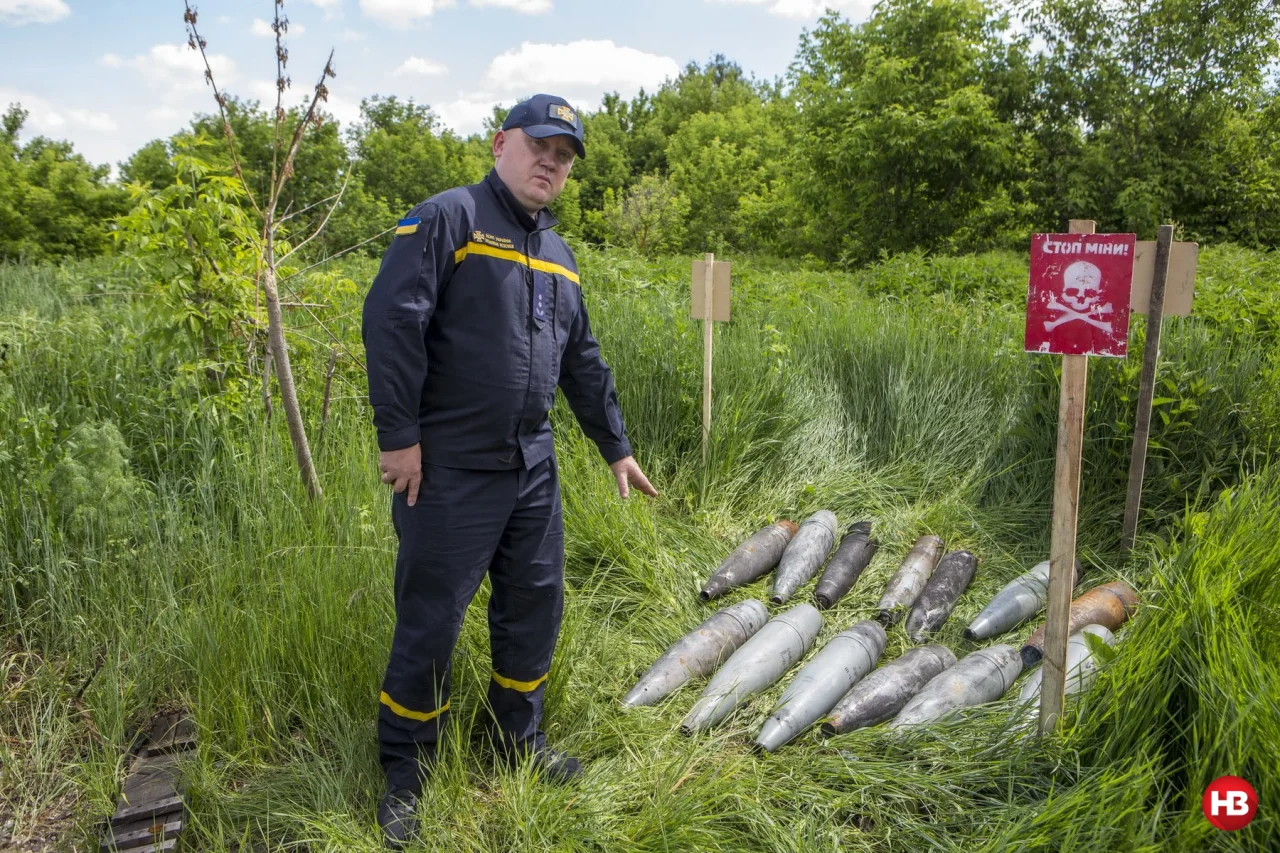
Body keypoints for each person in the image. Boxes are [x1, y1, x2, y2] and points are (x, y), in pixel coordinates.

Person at [360, 93, 658, 848]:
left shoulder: (559, 257)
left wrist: (615, 445)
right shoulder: (447, 218)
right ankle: (407, 771)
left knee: (534, 605)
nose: (551, 163)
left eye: (564, 157)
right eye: (541, 146)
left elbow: (582, 360)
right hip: (448, 467)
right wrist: (399, 436)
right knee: (431, 620)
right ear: (502, 144)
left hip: (531, 467)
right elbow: (392, 318)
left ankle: (513, 740)